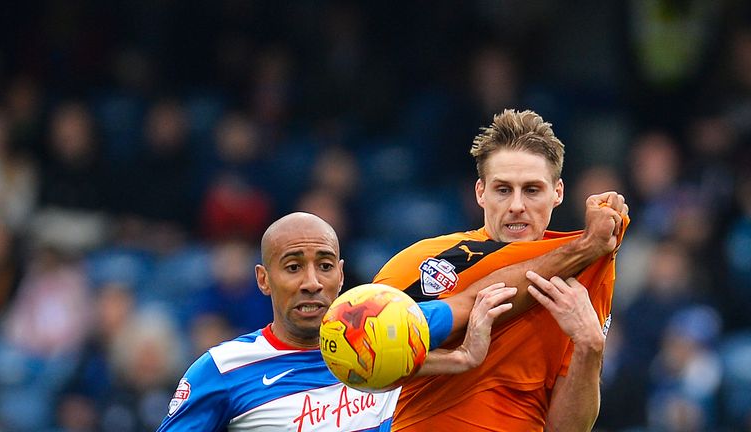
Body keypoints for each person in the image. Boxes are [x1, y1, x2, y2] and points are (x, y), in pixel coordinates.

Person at [373, 108, 630, 431]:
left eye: (532, 190)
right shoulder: (422, 263)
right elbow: (363, 364)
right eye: (503, 189)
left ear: (558, 193)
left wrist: (590, 346)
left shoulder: (582, 277)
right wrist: (458, 358)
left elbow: (567, 429)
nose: (517, 205)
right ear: (481, 192)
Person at [156, 212, 518, 431]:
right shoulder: (222, 370)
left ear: (341, 276)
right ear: (264, 279)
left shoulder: (391, 327)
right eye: (293, 267)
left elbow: (478, 299)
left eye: (325, 266)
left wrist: (574, 251)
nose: (312, 282)